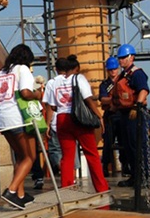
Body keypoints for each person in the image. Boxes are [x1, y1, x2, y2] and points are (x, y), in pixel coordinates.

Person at [0, 44, 40, 209]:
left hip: (2, 120)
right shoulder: (22, 69)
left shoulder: (0, 73)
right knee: (30, 157)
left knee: (20, 157)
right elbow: (25, 92)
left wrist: (5, 102)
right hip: (18, 118)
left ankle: (20, 195)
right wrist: (38, 95)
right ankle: (11, 190)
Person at [46, 55, 109, 192]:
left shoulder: (54, 83)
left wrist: (48, 124)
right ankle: (101, 187)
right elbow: (88, 99)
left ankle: (66, 188)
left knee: (67, 157)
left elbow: (52, 106)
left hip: (62, 119)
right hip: (78, 119)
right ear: (76, 69)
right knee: (91, 153)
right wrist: (99, 116)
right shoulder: (79, 78)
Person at [114, 44, 150, 189]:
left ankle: (149, 178)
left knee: (140, 146)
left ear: (131, 57)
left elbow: (143, 90)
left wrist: (136, 107)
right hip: (125, 114)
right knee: (129, 147)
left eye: (123, 58)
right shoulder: (123, 75)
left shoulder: (137, 73)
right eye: (119, 58)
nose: (121, 61)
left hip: (136, 114)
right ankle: (136, 176)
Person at [99, 56, 125, 177]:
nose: (113, 71)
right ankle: (105, 166)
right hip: (110, 115)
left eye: (114, 69)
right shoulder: (105, 84)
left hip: (122, 114)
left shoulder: (124, 81)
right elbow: (102, 99)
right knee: (108, 142)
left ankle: (126, 165)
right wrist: (114, 100)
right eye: (110, 69)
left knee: (124, 141)